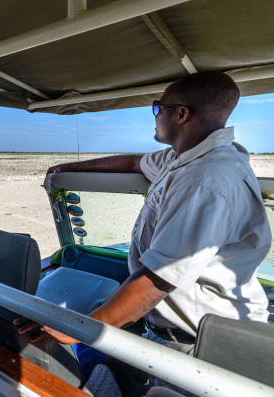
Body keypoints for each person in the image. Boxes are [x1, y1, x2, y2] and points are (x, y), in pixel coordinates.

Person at [15, 71, 271, 386]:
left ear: (181, 114)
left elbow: (158, 279)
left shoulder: (204, 178)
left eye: (157, 107)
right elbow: (136, 163)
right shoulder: (185, 158)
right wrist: (69, 168)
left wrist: (80, 327)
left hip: (200, 343)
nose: (154, 115)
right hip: (179, 330)